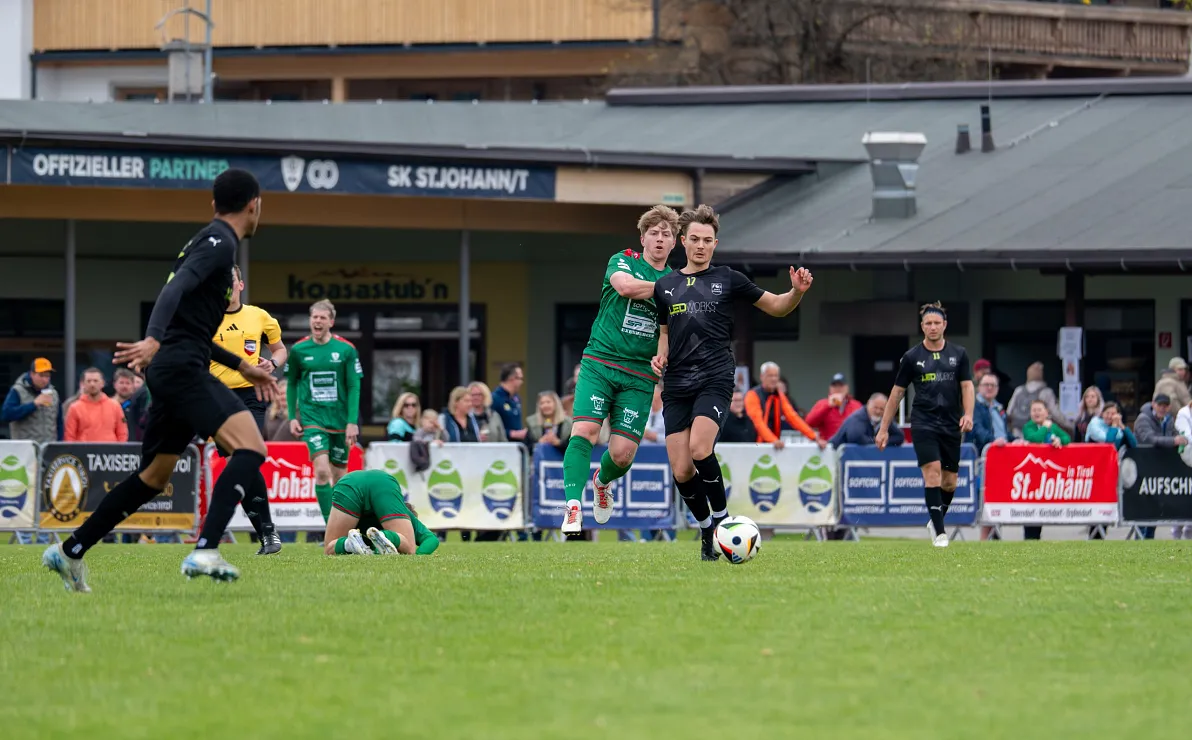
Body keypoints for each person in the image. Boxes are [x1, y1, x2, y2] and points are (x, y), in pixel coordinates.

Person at [43, 168, 278, 590]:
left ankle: (70, 551)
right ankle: (206, 549)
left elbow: (189, 321)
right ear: (254, 205)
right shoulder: (220, 243)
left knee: (154, 477)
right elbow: (172, 293)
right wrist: (152, 338)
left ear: (213, 204)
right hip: (182, 367)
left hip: (174, 365)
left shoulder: (206, 240)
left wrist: (242, 366)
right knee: (251, 446)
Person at [652, 204, 813, 561]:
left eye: (707, 240)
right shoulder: (665, 286)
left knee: (699, 448)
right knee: (680, 469)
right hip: (676, 381)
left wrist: (797, 292)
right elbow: (665, 333)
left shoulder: (729, 279)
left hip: (715, 375)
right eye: (694, 239)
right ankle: (707, 525)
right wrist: (660, 355)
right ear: (683, 241)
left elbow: (776, 306)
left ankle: (724, 520)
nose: (700, 246)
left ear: (715, 243)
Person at [560, 205, 677, 535]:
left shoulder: (678, 280)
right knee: (585, 432)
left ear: (673, 244)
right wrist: (669, 289)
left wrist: (663, 355)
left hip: (640, 375)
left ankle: (602, 481)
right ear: (642, 238)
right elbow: (625, 287)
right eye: (653, 232)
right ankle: (571, 507)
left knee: (623, 455)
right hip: (600, 361)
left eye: (666, 234)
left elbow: (671, 329)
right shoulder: (623, 259)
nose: (659, 238)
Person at [876, 301, 974, 549]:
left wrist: (969, 414)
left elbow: (967, 386)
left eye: (936, 323)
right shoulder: (911, 357)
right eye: (928, 323)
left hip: (951, 424)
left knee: (950, 481)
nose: (932, 327)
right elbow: (896, 394)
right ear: (922, 327)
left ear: (944, 325)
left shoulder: (959, 354)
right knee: (932, 471)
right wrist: (884, 428)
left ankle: (935, 518)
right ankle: (940, 534)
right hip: (924, 422)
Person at [211, 263, 287, 555]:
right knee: (239, 463)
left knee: (248, 456)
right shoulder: (207, 318)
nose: (228, 287)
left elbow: (280, 350)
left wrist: (273, 363)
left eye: (232, 281)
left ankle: (268, 533)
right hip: (217, 398)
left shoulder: (259, 316)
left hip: (253, 395)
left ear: (241, 285)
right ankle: (266, 532)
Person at [286, 300, 363, 523]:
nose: (317, 321)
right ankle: (330, 526)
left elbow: (353, 386)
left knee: (340, 478)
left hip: (339, 419)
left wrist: (352, 421)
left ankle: (344, 524)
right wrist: (292, 417)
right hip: (313, 418)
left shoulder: (346, 349)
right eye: (314, 317)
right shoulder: (299, 350)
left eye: (322, 318)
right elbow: (291, 384)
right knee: (321, 471)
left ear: (331, 321)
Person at [323, 469, 440, 556]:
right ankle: (385, 536)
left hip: (350, 481)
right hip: (382, 483)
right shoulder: (406, 513)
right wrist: (417, 557)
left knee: (329, 549)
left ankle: (348, 544)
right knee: (409, 548)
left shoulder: (397, 507)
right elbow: (432, 539)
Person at [744, 362, 824, 449]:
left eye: (776, 376)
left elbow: (793, 417)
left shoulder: (779, 396)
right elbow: (758, 422)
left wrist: (814, 437)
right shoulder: (752, 395)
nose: (774, 379)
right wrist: (773, 440)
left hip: (772, 445)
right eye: (770, 376)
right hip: (753, 444)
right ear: (762, 377)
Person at [3, 358, 63, 444]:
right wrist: (34, 404)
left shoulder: (54, 393)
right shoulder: (17, 390)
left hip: (49, 448)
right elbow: (7, 415)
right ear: (32, 374)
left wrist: (59, 445)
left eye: (47, 376)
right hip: (25, 448)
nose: (45, 380)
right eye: (41, 375)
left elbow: (59, 422)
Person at [1007, 362, 1070, 439]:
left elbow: (1009, 412)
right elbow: (1055, 414)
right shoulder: (1046, 392)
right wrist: (1069, 425)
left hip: (1016, 432)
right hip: (1037, 430)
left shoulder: (1018, 390)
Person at [64, 368, 128, 443]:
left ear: (102, 383)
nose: (92, 384)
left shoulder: (115, 406)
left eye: (95, 381)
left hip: (109, 452)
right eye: (89, 381)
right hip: (83, 452)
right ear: (83, 384)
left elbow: (122, 433)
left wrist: (119, 451)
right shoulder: (74, 408)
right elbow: (69, 436)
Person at [804, 373, 862, 443]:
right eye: (835, 386)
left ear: (847, 388)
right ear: (830, 388)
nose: (838, 388)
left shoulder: (856, 405)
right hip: (828, 447)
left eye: (841, 385)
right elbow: (808, 423)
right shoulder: (822, 403)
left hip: (850, 447)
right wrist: (828, 406)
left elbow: (862, 426)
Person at [830, 393, 902, 447]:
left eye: (881, 409)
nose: (878, 411)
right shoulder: (858, 417)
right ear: (868, 404)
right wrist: (878, 441)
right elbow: (857, 438)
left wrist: (883, 441)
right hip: (833, 454)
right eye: (875, 407)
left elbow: (899, 437)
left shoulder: (885, 418)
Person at [490, 364, 528, 442]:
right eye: (520, 379)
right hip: (503, 447)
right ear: (511, 378)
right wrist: (512, 433)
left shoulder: (516, 398)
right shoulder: (494, 399)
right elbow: (490, 427)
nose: (522, 382)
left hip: (517, 445)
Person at [971, 372, 1008, 451]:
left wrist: (1015, 439)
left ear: (998, 389)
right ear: (979, 387)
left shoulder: (999, 408)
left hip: (1003, 451)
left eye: (993, 385)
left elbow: (1004, 433)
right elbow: (978, 430)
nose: (990, 387)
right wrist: (994, 440)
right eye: (986, 384)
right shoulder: (973, 406)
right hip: (983, 454)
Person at [113, 368, 150, 441]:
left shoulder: (138, 405)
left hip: (134, 444)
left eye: (127, 383)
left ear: (133, 385)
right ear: (115, 384)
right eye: (121, 383)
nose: (124, 386)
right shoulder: (107, 404)